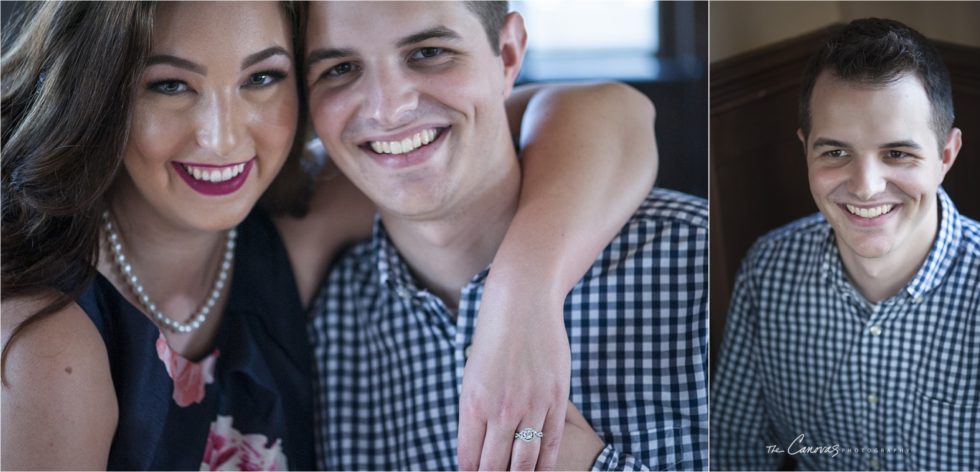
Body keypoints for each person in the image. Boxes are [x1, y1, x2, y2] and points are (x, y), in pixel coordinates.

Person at [0, 2, 660, 469]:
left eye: (262, 78)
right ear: (99, 91)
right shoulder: (47, 345)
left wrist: (521, 302)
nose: (224, 136)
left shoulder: (293, 225)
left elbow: (607, 111)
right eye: (169, 85)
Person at [304, 2, 708, 470]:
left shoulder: (692, 267)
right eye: (341, 68)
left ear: (509, 54)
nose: (389, 108)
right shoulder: (317, 328)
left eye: (429, 52)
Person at [711, 18, 980, 471]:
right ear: (806, 152)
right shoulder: (766, 270)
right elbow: (735, 448)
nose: (865, 187)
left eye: (897, 153)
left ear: (945, 157)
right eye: (835, 152)